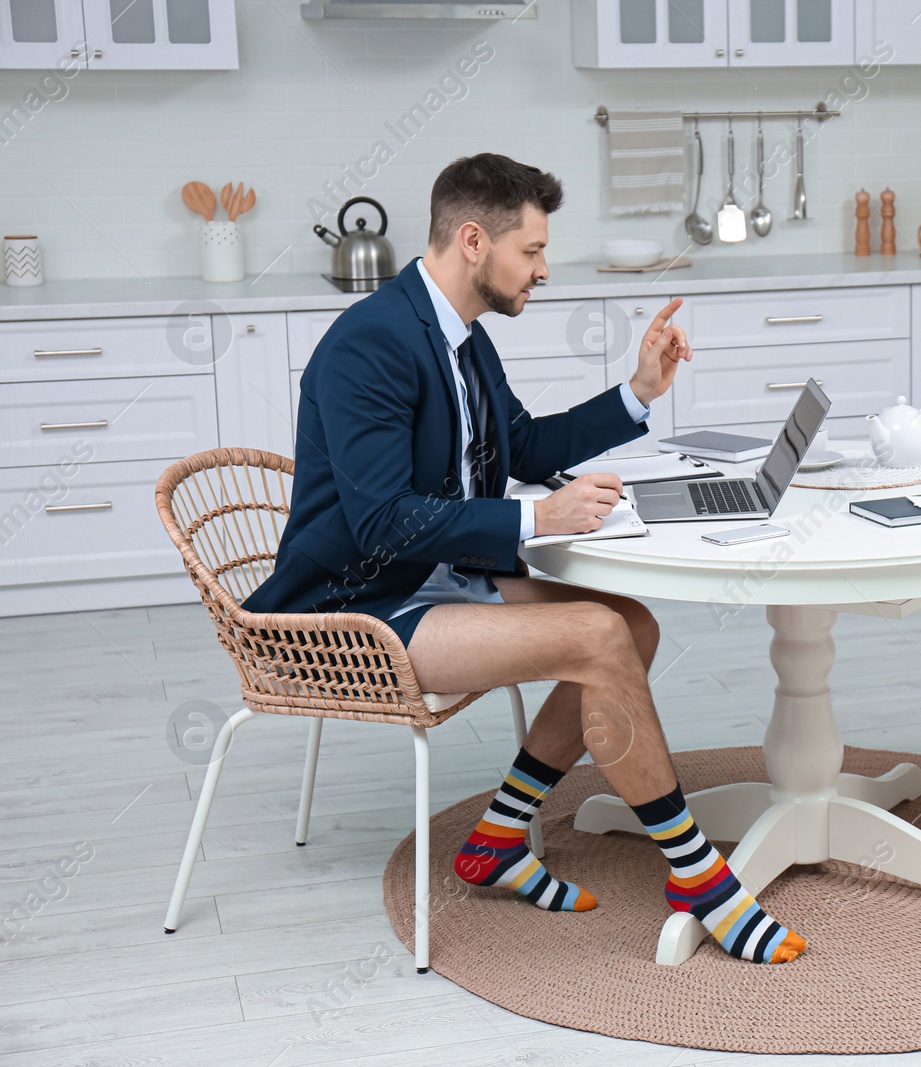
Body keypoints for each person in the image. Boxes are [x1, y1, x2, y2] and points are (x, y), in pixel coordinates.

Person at [242, 153, 805, 964]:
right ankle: (696, 874)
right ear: (474, 240)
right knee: (599, 638)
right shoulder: (372, 344)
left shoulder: (461, 338)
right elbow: (379, 526)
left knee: (628, 625)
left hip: (432, 580)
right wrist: (535, 516)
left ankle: (501, 836)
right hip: (352, 606)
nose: (543, 270)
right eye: (532, 252)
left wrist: (638, 391)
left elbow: (524, 442)